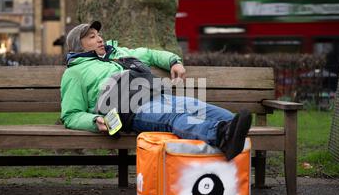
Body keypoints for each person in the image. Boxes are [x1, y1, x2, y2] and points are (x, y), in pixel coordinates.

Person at [60, 21, 252, 160]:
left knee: (204, 108)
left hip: (157, 96)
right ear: (79, 45)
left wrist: (174, 62)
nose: (100, 39)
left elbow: (151, 54)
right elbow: (71, 115)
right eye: (92, 37)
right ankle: (221, 136)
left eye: (99, 35)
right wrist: (95, 121)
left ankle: (230, 129)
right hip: (129, 110)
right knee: (174, 117)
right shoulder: (75, 72)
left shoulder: (120, 53)